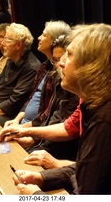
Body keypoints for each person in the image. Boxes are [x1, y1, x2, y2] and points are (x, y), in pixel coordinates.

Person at [7, 23, 111, 194]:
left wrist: (36, 196)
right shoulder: (103, 106)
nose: (61, 63)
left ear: (93, 68)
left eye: (69, 55)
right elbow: (86, 170)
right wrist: (43, 178)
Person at [9, 35, 80, 169]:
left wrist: (53, 166)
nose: (61, 64)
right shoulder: (65, 86)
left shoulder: (110, 113)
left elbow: (93, 176)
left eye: (68, 56)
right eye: (56, 60)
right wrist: (30, 136)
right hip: (49, 150)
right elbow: (59, 121)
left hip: (60, 155)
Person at [4, 21, 71, 128]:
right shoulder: (44, 66)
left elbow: (49, 115)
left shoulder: (61, 74)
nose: (38, 38)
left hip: (37, 128)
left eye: (44, 35)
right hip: (26, 124)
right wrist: (16, 120)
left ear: (55, 40)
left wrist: (25, 130)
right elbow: (31, 98)